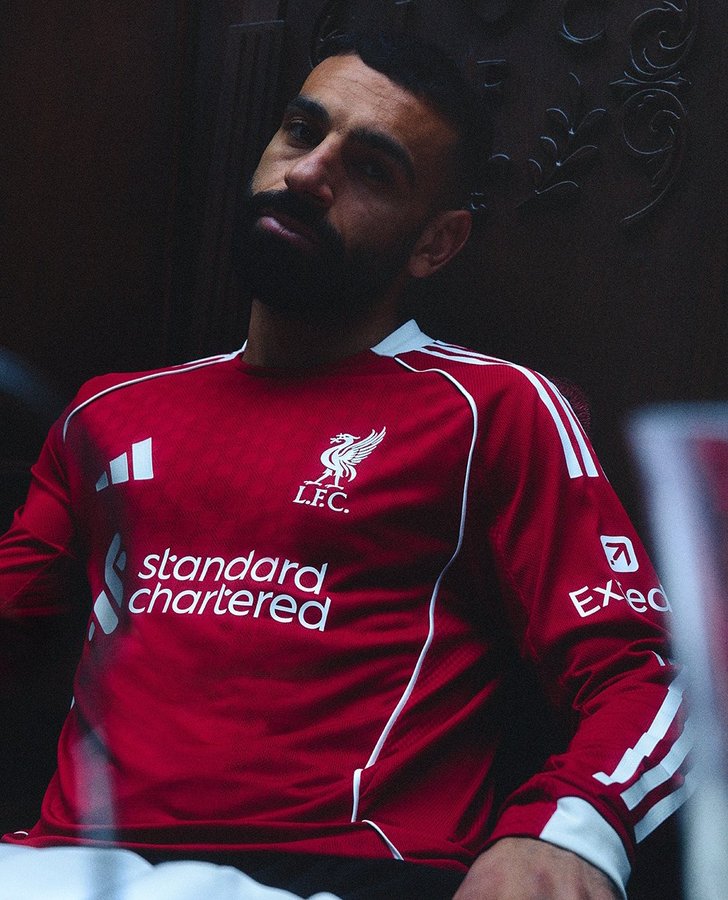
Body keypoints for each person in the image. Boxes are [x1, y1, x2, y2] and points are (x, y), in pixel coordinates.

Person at [0, 31, 689, 900]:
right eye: (301, 131)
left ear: (435, 244)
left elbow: (646, 676)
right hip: (63, 867)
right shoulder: (107, 412)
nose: (308, 173)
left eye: (370, 169)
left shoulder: (492, 408)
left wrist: (571, 834)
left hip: (334, 874)